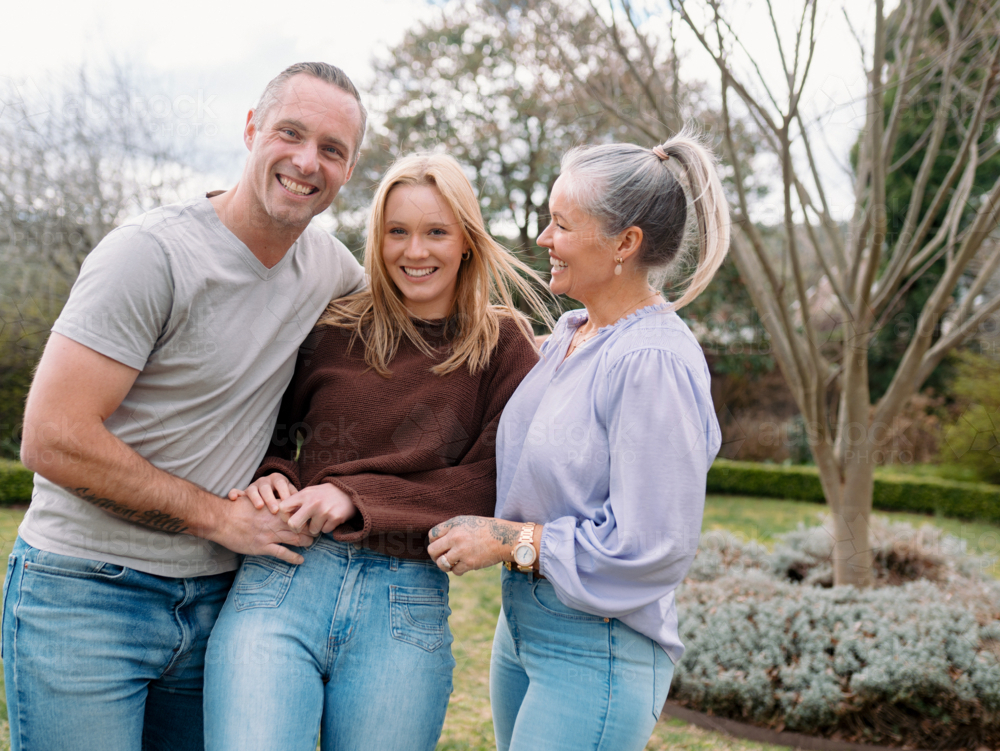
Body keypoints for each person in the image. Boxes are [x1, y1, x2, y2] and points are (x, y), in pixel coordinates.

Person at [5, 62, 368, 751]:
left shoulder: (329, 269)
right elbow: (51, 437)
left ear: (349, 170)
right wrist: (219, 517)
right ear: (252, 129)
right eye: (291, 133)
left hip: (220, 605)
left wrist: (577, 339)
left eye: (332, 149)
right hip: (85, 592)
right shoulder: (151, 254)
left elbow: (424, 337)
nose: (305, 161)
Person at [202, 153, 552, 751]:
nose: (415, 251)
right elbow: (271, 428)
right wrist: (274, 476)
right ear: (377, 238)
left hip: (404, 599)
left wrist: (353, 496)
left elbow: (494, 481)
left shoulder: (503, 344)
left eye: (436, 232)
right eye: (398, 232)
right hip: (283, 578)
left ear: (467, 240)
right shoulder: (334, 324)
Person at [427, 132, 728, 751]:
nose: (543, 239)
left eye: (561, 224)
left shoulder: (652, 362)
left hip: (599, 647)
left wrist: (509, 541)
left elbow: (653, 545)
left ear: (625, 243)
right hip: (523, 629)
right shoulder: (569, 335)